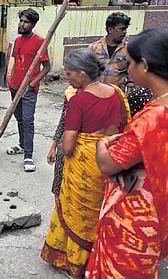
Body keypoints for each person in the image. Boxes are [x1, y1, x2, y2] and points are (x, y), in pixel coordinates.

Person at [40, 49, 130, 278]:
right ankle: (99, 258)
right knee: (101, 210)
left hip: (84, 165)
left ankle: (76, 262)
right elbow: (122, 127)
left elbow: (69, 146)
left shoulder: (78, 101)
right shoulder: (117, 93)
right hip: (109, 160)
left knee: (78, 213)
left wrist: (58, 146)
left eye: (69, 74)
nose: (67, 78)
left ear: (82, 74)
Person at [86, 30, 168, 279]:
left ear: (144, 65)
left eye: (130, 63)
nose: (127, 68)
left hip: (136, 217)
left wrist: (103, 145)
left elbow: (109, 164)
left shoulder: (153, 117)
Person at [6, 8, 51, 172]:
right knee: (19, 118)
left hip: (29, 89)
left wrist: (33, 83)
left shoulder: (40, 42)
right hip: (14, 87)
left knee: (27, 120)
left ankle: (28, 156)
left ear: (32, 24)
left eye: (25, 22)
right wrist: (10, 79)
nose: (22, 24)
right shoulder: (17, 41)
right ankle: (22, 144)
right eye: (21, 21)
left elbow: (47, 67)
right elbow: (13, 61)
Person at [88, 12, 152, 116]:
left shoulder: (129, 50)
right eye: (121, 29)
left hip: (116, 98)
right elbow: (86, 72)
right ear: (110, 29)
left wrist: (128, 95)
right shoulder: (94, 48)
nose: (124, 32)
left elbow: (132, 78)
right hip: (94, 96)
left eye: (125, 29)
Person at [46, 86, 77, 196]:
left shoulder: (101, 97)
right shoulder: (70, 93)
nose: (67, 76)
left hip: (82, 154)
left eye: (70, 73)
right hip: (62, 149)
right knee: (59, 189)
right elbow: (63, 121)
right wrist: (53, 147)